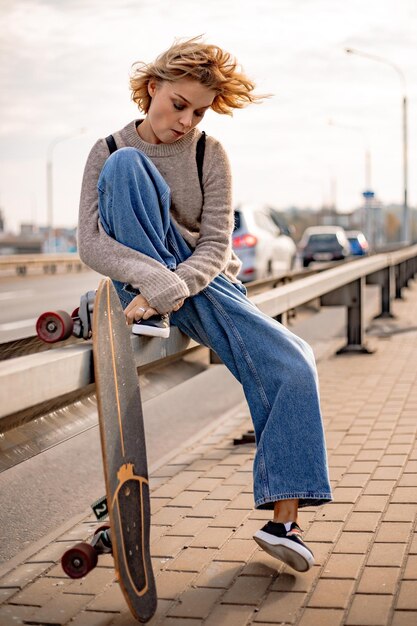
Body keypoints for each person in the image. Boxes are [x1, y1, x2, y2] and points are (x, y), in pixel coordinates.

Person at [78, 37, 332, 573]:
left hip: (202, 286)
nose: (186, 121)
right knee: (127, 167)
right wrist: (151, 281)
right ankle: (146, 305)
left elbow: (216, 247)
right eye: (178, 105)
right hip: (143, 289)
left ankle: (284, 522)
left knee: (294, 362)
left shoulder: (208, 152)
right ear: (152, 89)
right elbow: (93, 243)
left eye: (198, 112)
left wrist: (169, 289)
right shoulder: (106, 150)